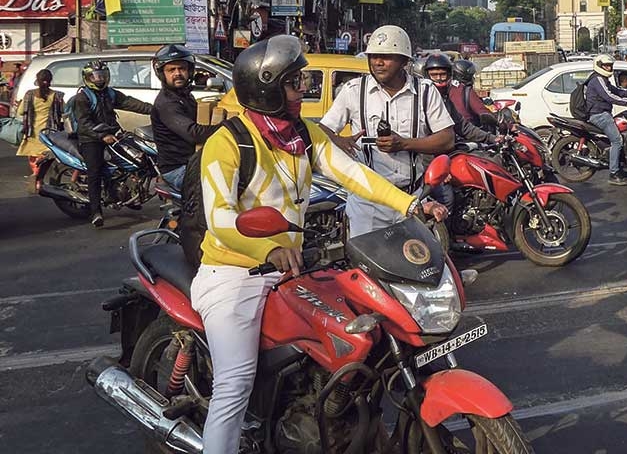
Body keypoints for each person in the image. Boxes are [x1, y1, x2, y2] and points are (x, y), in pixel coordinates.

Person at [192, 36, 442, 454]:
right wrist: (267, 249)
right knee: (234, 384)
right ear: (269, 88)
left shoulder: (303, 134)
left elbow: (354, 175)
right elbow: (219, 220)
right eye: (295, 82)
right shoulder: (227, 143)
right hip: (234, 273)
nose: (304, 87)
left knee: (362, 335)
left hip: (292, 268)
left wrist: (411, 203)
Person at [318, 25, 454, 237]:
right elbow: (320, 131)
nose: (377, 63)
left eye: (386, 57)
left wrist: (404, 144)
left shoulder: (426, 91)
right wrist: (339, 140)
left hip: (411, 199)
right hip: (367, 204)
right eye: (373, 57)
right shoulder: (354, 91)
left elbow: (446, 139)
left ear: (404, 61)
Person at [73, 60, 153, 227]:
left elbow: (131, 103)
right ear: (87, 78)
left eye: (102, 76)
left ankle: (127, 195)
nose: (99, 79)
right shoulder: (82, 97)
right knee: (95, 171)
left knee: (132, 158)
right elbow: (84, 123)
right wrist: (102, 136)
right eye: (95, 76)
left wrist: (155, 109)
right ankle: (96, 211)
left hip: (112, 134)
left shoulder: (110, 93)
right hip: (90, 139)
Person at [150, 44, 220, 191]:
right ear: (162, 74)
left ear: (189, 71)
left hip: (192, 162)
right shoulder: (167, 103)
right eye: (171, 70)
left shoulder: (185, 95)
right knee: (221, 188)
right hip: (177, 169)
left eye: (181, 68)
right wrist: (229, 126)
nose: (177, 73)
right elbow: (194, 133)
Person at [423, 54, 494, 150]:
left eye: (442, 74)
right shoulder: (420, 98)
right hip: (427, 154)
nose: (439, 78)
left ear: (449, 75)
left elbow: (463, 127)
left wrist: (491, 138)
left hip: (452, 148)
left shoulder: (447, 100)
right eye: (434, 75)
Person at [583, 54, 627, 185]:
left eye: (610, 66)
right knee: (617, 140)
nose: (609, 68)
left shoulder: (603, 80)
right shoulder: (598, 79)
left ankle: (618, 167)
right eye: (606, 65)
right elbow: (609, 96)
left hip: (602, 113)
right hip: (599, 115)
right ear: (599, 65)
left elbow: (616, 91)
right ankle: (613, 173)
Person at [17, 69, 65, 190]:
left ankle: (35, 175)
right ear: (50, 81)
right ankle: (39, 179)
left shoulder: (29, 95)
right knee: (45, 156)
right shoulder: (57, 96)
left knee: (33, 156)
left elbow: (21, 112)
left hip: (32, 133)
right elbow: (65, 113)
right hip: (50, 133)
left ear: (37, 81)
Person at [450, 59, 491, 126]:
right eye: (471, 75)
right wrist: (498, 121)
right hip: (468, 130)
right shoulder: (466, 91)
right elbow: (482, 111)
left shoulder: (448, 88)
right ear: (464, 76)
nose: (473, 78)